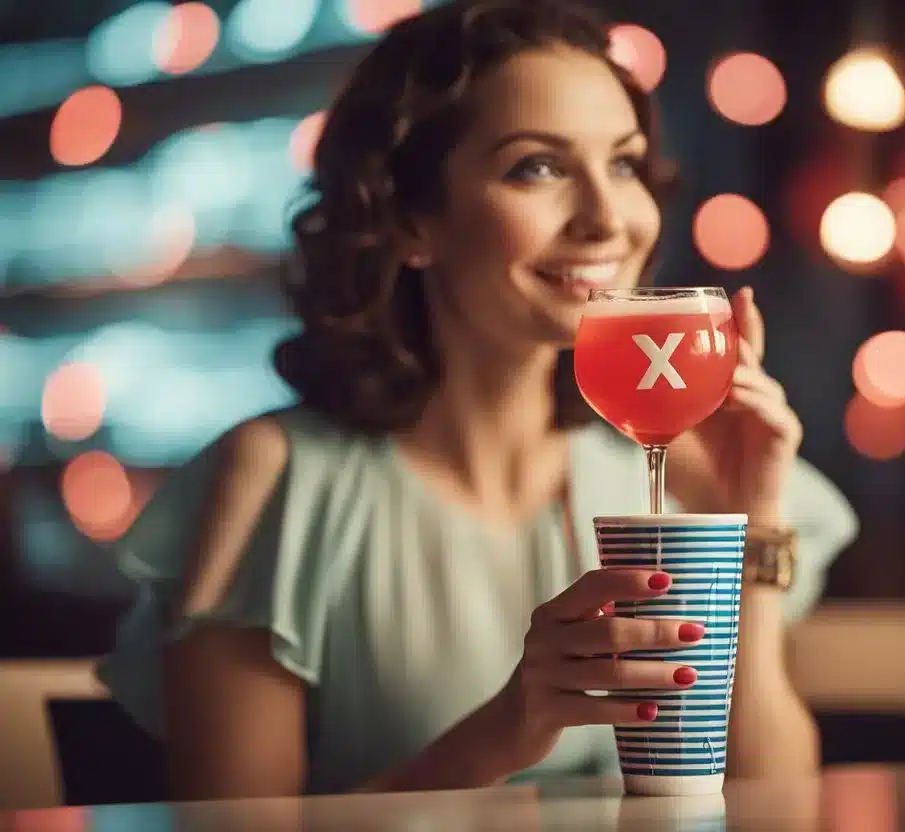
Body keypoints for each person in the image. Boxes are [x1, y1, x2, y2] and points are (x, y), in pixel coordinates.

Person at [97, 0, 858, 800]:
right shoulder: (276, 481)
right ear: (409, 219)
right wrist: (505, 732)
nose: (609, 220)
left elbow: (773, 801)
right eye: (538, 166)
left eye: (624, 164)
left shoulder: (683, 466)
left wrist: (752, 523)